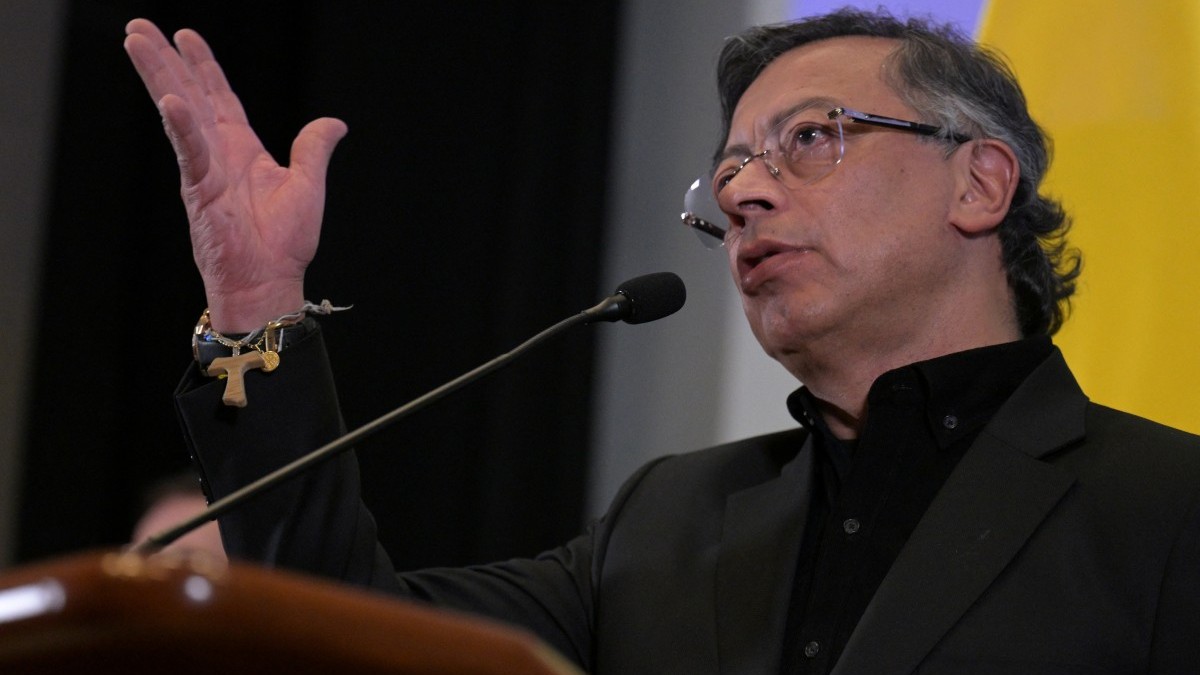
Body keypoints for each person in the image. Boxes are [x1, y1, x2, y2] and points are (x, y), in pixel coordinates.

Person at [124, 8, 1200, 674]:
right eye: (728, 174)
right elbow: (340, 634)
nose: (745, 195)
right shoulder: (670, 521)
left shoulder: (1164, 510)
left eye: (809, 140)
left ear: (978, 182)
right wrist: (254, 304)